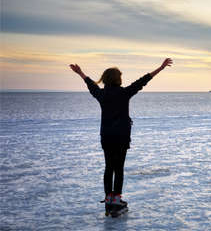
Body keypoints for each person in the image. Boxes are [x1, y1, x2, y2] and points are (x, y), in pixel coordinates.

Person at [69, 58, 173, 213]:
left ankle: (109, 200)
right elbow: (143, 81)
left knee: (109, 167)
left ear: (105, 79)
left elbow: (90, 84)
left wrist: (80, 73)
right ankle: (116, 200)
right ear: (118, 79)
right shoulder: (124, 93)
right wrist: (160, 68)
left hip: (106, 136)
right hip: (121, 137)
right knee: (118, 168)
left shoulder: (101, 94)